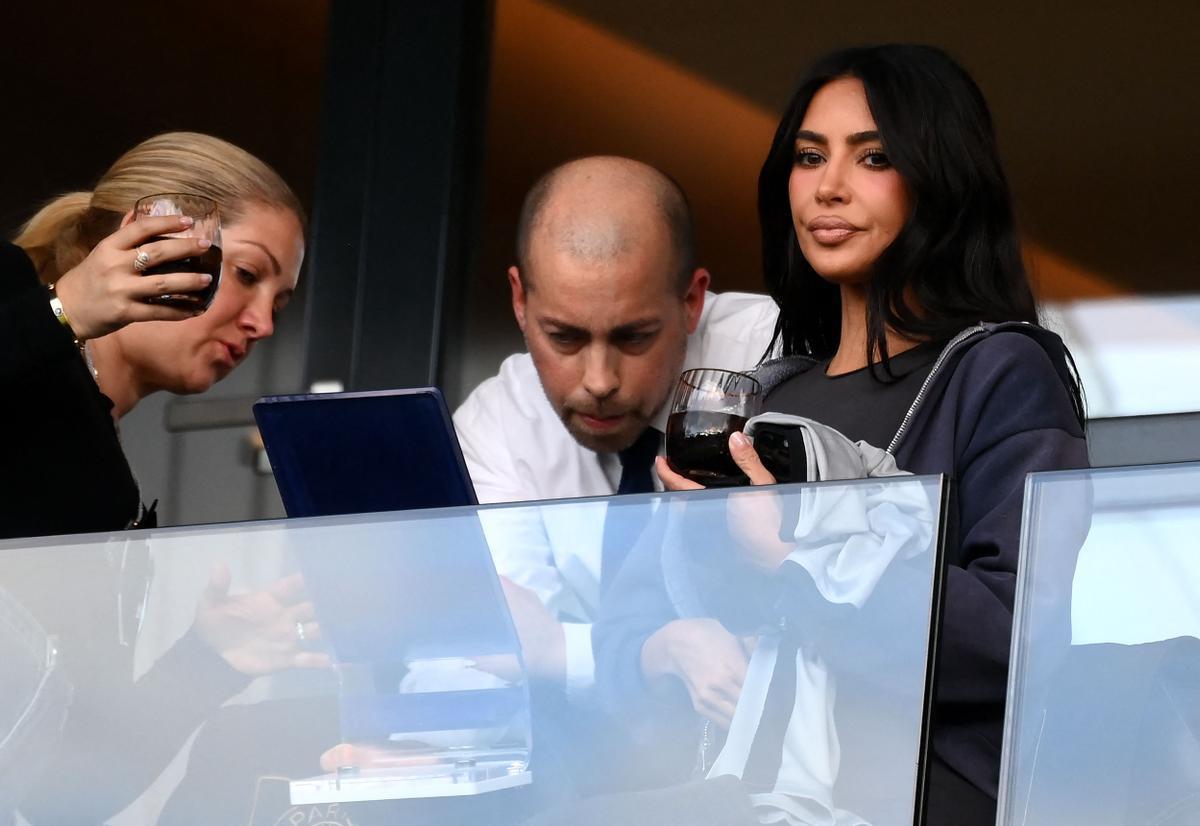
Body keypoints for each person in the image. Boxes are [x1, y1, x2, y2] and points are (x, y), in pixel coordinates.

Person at [564, 44, 1090, 826]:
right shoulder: (767, 393)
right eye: (809, 158)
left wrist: (785, 554)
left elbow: (1017, 638)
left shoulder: (1000, 373)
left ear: (940, 177)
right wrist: (675, 628)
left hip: (910, 798)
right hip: (736, 783)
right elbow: (624, 633)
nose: (829, 188)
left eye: (872, 157)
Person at [0, 132, 322, 822]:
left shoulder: (110, 491)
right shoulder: (14, 321)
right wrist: (59, 314)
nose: (263, 322)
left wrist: (208, 663)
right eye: (245, 274)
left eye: (281, 301)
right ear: (147, 240)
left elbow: (64, 795)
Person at [453, 156, 778, 691]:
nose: (599, 381)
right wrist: (633, 655)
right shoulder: (500, 423)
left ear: (692, 300)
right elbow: (516, 657)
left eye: (633, 337)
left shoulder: (776, 363)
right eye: (564, 337)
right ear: (519, 299)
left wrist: (566, 652)